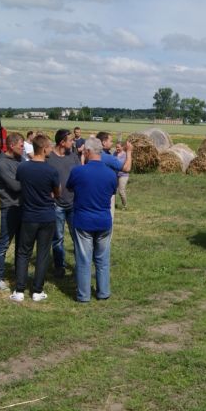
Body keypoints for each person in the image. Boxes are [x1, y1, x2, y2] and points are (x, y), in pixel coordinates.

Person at [66, 137, 117, 303]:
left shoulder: (78, 171)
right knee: (102, 259)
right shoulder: (111, 174)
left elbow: (70, 187)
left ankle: (83, 295)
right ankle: (103, 292)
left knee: (84, 260)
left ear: (87, 152)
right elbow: (111, 192)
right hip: (104, 220)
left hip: (83, 221)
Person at [11, 134, 60, 303]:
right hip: (47, 216)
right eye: (50, 147)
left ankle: (19, 290)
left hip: (29, 215)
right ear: (44, 148)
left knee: (23, 252)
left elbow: (21, 185)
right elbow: (57, 193)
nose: (51, 149)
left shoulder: (23, 168)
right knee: (43, 253)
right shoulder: (52, 170)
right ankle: (37, 291)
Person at [0, 132, 24, 291]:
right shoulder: (2, 163)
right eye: (21, 145)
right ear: (12, 145)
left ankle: (20, 274)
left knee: (21, 244)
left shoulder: (20, 160)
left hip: (23, 206)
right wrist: (31, 182)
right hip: (10, 207)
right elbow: (15, 186)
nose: (23, 148)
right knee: (4, 243)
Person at [47, 129, 81, 278]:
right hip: (57, 205)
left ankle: (80, 266)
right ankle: (59, 267)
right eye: (70, 140)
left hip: (73, 204)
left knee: (77, 237)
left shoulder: (73, 157)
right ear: (62, 142)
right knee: (58, 238)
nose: (73, 142)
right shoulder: (49, 159)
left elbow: (80, 175)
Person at [96, 132, 133, 219]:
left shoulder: (93, 154)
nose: (112, 143)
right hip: (107, 193)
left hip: (95, 192)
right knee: (108, 219)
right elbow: (127, 168)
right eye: (110, 141)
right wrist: (129, 151)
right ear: (104, 142)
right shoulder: (108, 158)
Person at [115, 142, 129, 209]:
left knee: (121, 191)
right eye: (116, 147)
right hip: (115, 174)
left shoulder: (125, 155)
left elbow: (120, 164)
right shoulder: (114, 153)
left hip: (123, 175)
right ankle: (112, 204)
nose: (117, 148)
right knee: (113, 190)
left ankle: (125, 205)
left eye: (118, 147)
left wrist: (116, 158)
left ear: (122, 147)